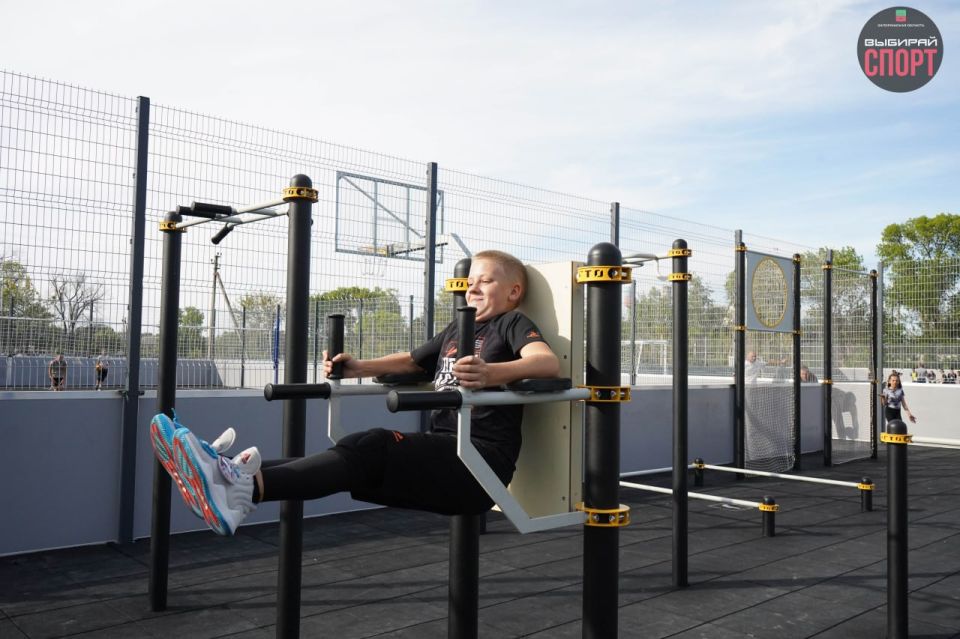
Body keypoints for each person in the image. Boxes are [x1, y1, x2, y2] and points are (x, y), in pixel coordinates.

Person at [151, 250, 561, 536]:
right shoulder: (458, 329)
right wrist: (358, 368)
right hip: (448, 451)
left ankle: (239, 489)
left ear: (513, 292)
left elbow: (545, 363)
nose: (473, 289)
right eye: (469, 282)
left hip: (480, 462)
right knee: (349, 458)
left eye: (485, 281)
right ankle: (229, 478)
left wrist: (492, 373)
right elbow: (412, 361)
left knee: (371, 446)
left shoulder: (511, 323)